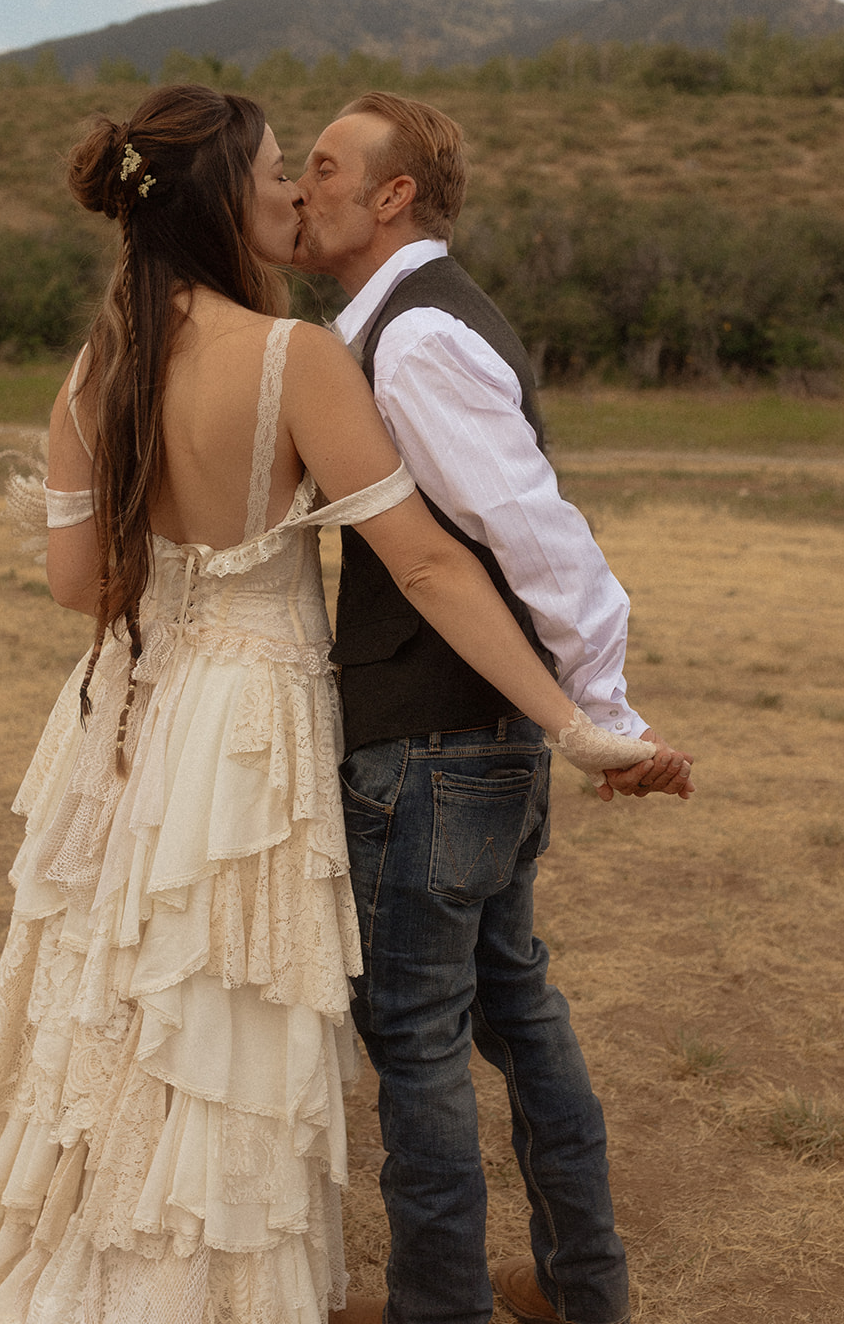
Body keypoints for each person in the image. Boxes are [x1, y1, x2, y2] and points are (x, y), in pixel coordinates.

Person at [0, 84, 654, 1324]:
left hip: (137, 713)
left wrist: (177, 563)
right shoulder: (294, 359)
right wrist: (570, 719)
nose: (291, 192)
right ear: (219, 201)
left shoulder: (96, 369)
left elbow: (74, 584)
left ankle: (113, 1256)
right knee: (234, 1012)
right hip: (255, 722)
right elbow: (425, 560)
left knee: (125, 998)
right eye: (272, 174)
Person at [291, 91, 695, 1324]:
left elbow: (533, 532)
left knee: (417, 1041)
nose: (298, 188)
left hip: (433, 747)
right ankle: (581, 1291)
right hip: (478, 740)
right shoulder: (396, 325)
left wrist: (600, 711)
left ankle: (438, 1309)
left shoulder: (411, 341)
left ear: (390, 194)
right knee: (515, 1007)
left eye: (320, 167)